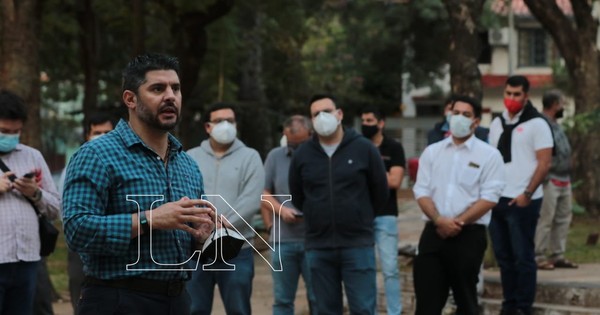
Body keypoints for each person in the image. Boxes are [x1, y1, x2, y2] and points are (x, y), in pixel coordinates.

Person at [62, 53, 216, 315]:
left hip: (178, 300)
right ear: (130, 99)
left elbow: (185, 245)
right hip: (118, 299)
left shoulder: (187, 165)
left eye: (175, 88)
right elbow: (77, 230)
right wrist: (149, 219)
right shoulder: (96, 154)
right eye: (158, 88)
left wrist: (202, 238)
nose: (170, 96)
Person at [288, 94, 389, 315]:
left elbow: (380, 193)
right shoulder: (303, 155)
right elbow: (298, 196)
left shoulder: (364, 149)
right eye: (316, 114)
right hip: (319, 246)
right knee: (324, 310)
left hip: (357, 244)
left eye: (327, 111)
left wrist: (359, 216)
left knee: (363, 308)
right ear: (311, 120)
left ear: (339, 114)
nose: (322, 117)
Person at [412, 95, 505, 314]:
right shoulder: (433, 152)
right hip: (433, 234)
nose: (459, 119)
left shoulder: (489, 155)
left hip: (468, 236)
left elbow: (490, 197)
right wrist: (439, 220)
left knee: (466, 302)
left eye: (466, 115)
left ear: (475, 121)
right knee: (426, 303)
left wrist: (458, 222)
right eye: (455, 113)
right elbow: (421, 190)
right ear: (448, 115)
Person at [186, 103, 265, 315]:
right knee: (194, 308)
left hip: (236, 249)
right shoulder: (190, 157)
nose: (226, 125)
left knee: (238, 309)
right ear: (208, 127)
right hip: (197, 249)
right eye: (220, 121)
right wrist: (200, 224)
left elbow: (251, 200)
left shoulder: (250, 157)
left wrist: (219, 224)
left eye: (230, 121)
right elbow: (183, 194)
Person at [489, 75, 554, 315]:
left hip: (523, 199)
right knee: (504, 257)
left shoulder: (538, 124)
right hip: (497, 199)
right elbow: (491, 158)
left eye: (517, 94)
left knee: (522, 256)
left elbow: (544, 163)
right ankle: (509, 304)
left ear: (526, 96)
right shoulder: (497, 123)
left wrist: (527, 193)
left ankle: (523, 307)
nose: (511, 99)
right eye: (508, 93)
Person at [0, 89, 61, 315]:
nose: (10, 137)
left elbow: (55, 208)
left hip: (27, 259)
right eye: (4, 131)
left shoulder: (32, 155)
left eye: (16, 132)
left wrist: (35, 193)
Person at [57, 112, 114, 314]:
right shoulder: (77, 163)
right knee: (79, 289)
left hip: (117, 240)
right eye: (97, 132)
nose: (102, 136)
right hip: (83, 241)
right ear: (88, 135)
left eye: (107, 132)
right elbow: (65, 207)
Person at [260, 115, 317, 315]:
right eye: (293, 144)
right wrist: (281, 210)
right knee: (283, 301)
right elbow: (263, 194)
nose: (298, 149)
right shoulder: (275, 156)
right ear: (285, 135)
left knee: (318, 299)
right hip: (283, 242)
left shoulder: (320, 156)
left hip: (315, 241)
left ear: (311, 135)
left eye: (302, 144)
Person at [360, 106, 405, 315]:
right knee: (365, 269)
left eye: (370, 121)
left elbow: (395, 181)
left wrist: (368, 174)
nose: (365, 125)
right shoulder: (357, 147)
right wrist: (381, 175)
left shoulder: (394, 147)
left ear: (381, 123)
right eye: (363, 121)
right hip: (361, 216)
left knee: (390, 269)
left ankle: (394, 312)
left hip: (386, 215)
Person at [534, 90, 578, 270]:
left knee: (563, 217)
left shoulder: (556, 124)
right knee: (546, 218)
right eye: (561, 104)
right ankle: (538, 255)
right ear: (553, 105)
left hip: (564, 177)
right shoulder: (540, 124)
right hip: (549, 178)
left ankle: (557, 254)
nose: (563, 108)